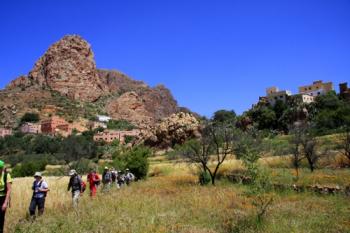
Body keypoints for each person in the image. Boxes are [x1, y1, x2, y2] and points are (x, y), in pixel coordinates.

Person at [0, 160, 11, 233]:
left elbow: (9, 190)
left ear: (2, 168)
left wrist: (5, 203)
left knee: (1, 218)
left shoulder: (6, 175)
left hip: (2, 198)